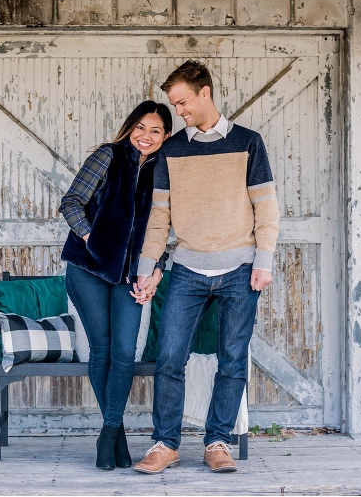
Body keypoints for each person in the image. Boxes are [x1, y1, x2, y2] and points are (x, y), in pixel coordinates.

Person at [132, 61, 280, 474]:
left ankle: (217, 441)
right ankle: (165, 445)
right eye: (173, 104)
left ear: (205, 93)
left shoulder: (249, 143)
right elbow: (158, 218)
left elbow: (266, 206)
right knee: (169, 358)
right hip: (187, 269)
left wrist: (264, 261)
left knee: (231, 359)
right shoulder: (173, 150)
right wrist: (148, 267)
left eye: (182, 102)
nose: (178, 111)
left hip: (240, 268)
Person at [59, 101, 171, 470]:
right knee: (102, 349)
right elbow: (72, 202)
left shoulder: (167, 173)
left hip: (133, 277)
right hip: (87, 269)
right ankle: (114, 432)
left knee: (125, 352)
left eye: (155, 130)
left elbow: (170, 231)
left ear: (166, 136)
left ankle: (109, 432)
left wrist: (155, 272)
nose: (146, 136)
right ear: (129, 128)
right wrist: (94, 238)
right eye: (140, 127)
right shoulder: (108, 157)